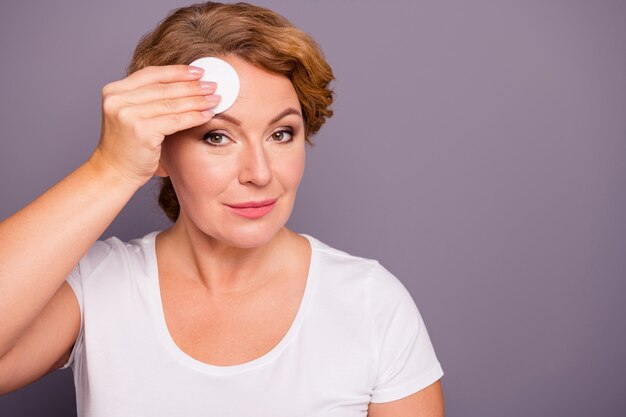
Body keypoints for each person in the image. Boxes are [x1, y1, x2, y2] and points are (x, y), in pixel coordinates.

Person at [0, 1, 444, 415]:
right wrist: (109, 169)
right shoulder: (97, 286)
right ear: (160, 150)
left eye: (281, 134)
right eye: (217, 137)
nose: (259, 172)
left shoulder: (370, 304)